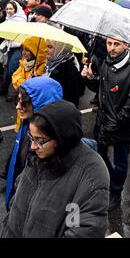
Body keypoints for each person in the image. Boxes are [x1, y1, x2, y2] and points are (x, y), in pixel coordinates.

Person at [1, 100, 109, 238]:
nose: (32, 146)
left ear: (61, 138)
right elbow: (18, 194)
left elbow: (85, 230)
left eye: (39, 140)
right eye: (31, 138)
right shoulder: (38, 154)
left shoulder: (91, 175)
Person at [82, 36, 130, 211]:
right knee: (99, 156)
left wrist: (115, 122)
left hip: (121, 126)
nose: (112, 48)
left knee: (120, 161)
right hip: (102, 121)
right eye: (109, 43)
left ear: (126, 45)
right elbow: (100, 91)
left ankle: (116, 192)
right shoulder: (106, 63)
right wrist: (91, 77)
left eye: (117, 44)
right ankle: (109, 182)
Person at [2, 77, 63, 211]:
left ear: (39, 104)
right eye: (18, 101)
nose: (18, 107)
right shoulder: (27, 124)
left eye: (24, 103)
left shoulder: (54, 143)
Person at [0, 1, 27, 99]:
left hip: (18, 48)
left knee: (13, 69)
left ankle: (14, 92)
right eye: (7, 9)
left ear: (16, 9)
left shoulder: (21, 20)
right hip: (9, 47)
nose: (8, 11)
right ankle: (4, 89)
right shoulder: (7, 19)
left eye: (11, 9)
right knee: (7, 69)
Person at [45, 40, 81, 107]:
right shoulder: (49, 63)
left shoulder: (70, 70)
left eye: (50, 47)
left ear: (60, 49)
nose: (45, 50)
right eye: (45, 46)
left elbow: (71, 99)